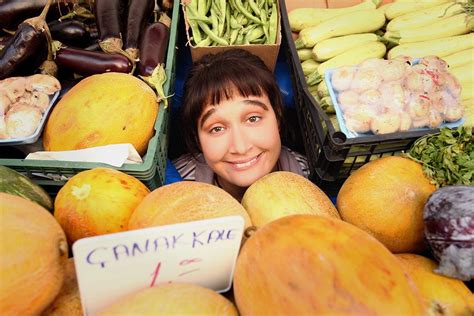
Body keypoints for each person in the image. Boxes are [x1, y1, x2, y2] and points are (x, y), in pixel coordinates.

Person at [173, 49, 309, 201]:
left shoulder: (308, 176)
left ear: (277, 116)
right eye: (217, 128)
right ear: (197, 138)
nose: (240, 147)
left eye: (253, 119)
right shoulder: (178, 184)